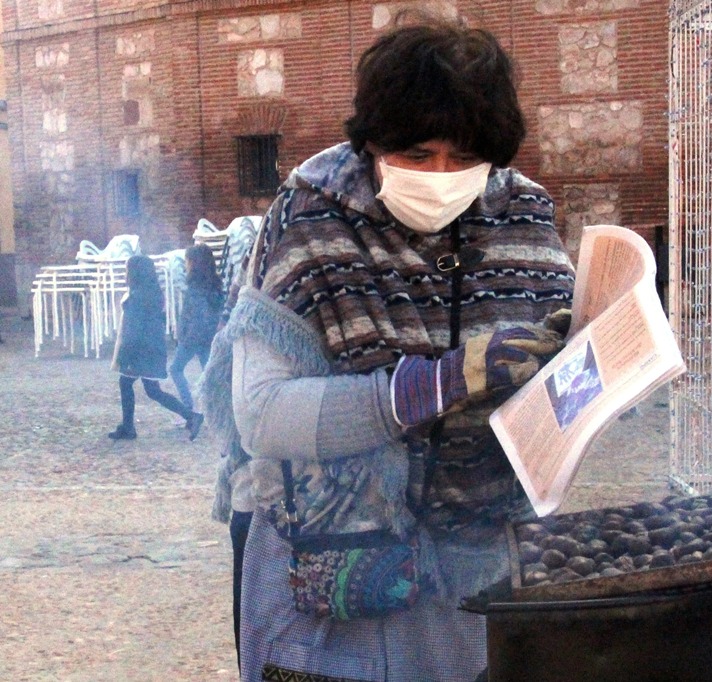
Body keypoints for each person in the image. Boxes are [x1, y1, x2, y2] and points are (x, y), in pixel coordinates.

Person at [203, 18, 575, 681]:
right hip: (323, 559)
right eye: (416, 154)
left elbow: (551, 368)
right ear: (373, 142)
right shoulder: (312, 216)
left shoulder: (523, 218)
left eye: (463, 159)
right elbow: (262, 414)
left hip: (475, 548)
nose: (440, 176)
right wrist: (434, 386)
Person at [109, 254, 204, 441]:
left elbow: (133, 330)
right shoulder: (152, 294)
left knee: (131, 384)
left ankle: (130, 427)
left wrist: (125, 356)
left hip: (139, 352)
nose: (125, 275)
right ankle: (190, 416)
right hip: (151, 350)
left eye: (127, 271)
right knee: (151, 389)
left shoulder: (137, 298)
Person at [169, 244, 223, 419]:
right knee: (209, 376)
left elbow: (195, 316)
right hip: (208, 337)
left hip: (193, 338)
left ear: (194, 263)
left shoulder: (195, 287)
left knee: (176, 369)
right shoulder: (214, 284)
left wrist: (184, 337)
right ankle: (214, 411)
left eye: (187, 261)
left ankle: (188, 410)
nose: (185, 264)